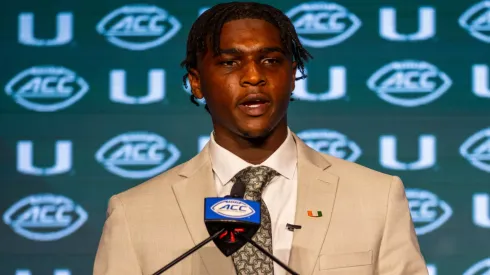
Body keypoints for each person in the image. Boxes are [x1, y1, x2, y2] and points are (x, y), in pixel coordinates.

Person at [93, 2, 429, 275]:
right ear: (196, 82)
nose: (254, 76)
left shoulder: (377, 198)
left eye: (270, 60)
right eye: (229, 62)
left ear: (293, 74)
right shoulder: (134, 213)